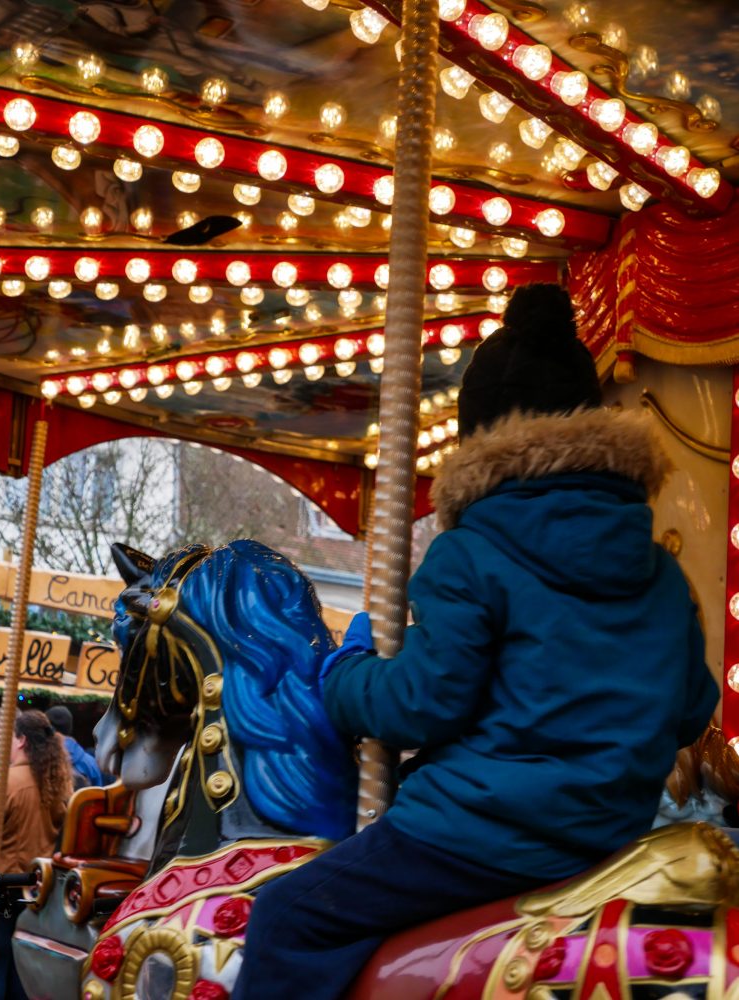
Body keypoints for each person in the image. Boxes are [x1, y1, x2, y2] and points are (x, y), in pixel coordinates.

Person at [232, 284, 719, 1000]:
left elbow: (418, 705)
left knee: (286, 916)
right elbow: (686, 713)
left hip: (480, 834)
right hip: (608, 833)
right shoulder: (661, 573)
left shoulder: (474, 552)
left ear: (480, 439)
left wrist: (347, 674)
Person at [0, 709, 73, 999]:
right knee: (19, 969)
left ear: (21, 740)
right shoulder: (56, 784)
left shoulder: (2, 784)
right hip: (36, 892)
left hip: (0, 891)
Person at [46, 704, 106, 789]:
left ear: (47, 730)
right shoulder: (90, 763)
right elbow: (97, 797)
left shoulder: (38, 760)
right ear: (70, 728)